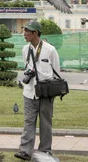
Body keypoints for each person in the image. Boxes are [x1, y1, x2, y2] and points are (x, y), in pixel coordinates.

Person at [15, 20, 61, 161]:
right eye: (25, 31)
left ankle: (45, 151)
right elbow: (27, 66)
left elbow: (56, 72)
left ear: (35, 33)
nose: (25, 34)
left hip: (46, 93)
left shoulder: (50, 50)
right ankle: (25, 151)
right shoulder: (25, 49)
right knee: (28, 121)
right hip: (29, 91)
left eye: (27, 31)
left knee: (45, 123)